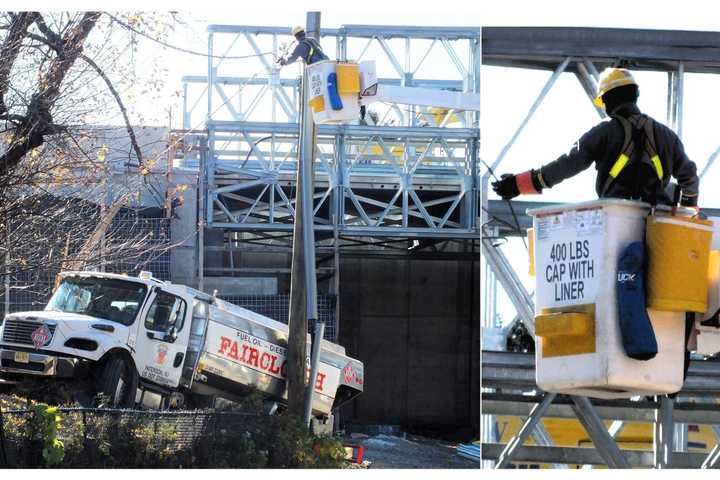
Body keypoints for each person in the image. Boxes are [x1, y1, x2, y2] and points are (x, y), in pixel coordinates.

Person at [491, 67, 700, 208]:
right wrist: (688, 210)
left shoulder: (604, 133)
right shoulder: (666, 136)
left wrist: (518, 185)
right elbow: (688, 175)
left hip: (616, 216)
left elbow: (568, 164)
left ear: (607, 100)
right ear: (635, 96)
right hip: (659, 220)